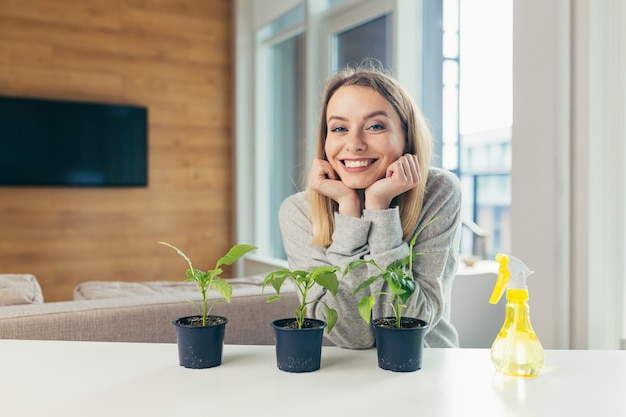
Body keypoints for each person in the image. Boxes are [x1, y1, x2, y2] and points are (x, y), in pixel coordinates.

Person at [278, 63, 462, 349]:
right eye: (339, 128)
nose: (354, 144)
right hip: (344, 375)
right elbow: (352, 335)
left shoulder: (438, 192)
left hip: (427, 370)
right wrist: (350, 214)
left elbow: (412, 321)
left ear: (406, 136)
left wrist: (379, 208)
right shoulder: (299, 212)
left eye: (375, 126)